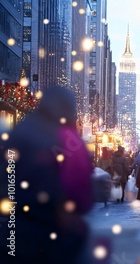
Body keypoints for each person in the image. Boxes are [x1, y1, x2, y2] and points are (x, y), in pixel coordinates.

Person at [0, 86, 94, 264]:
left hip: (15, 229)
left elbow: (6, 178)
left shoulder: (20, 131)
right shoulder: (67, 139)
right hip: (53, 230)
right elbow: (79, 189)